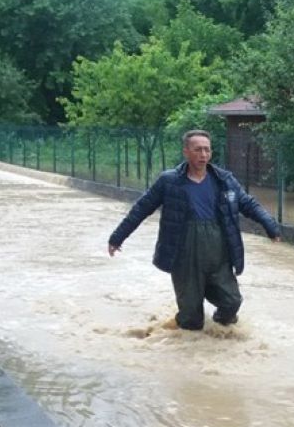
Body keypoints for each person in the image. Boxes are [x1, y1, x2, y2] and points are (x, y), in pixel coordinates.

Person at [108, 129, 281, 330]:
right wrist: (117, 237)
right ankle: (188, 346)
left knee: (232, 302)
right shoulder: (169, 181)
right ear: (186, 152)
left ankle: (220, 328)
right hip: (184, 257)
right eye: (198, 150)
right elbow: (141, 209)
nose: (203, 155)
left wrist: (271, 226)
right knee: (191, 319)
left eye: (207, 150)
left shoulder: (224, 180)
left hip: (219, 255)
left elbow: (249, 204)